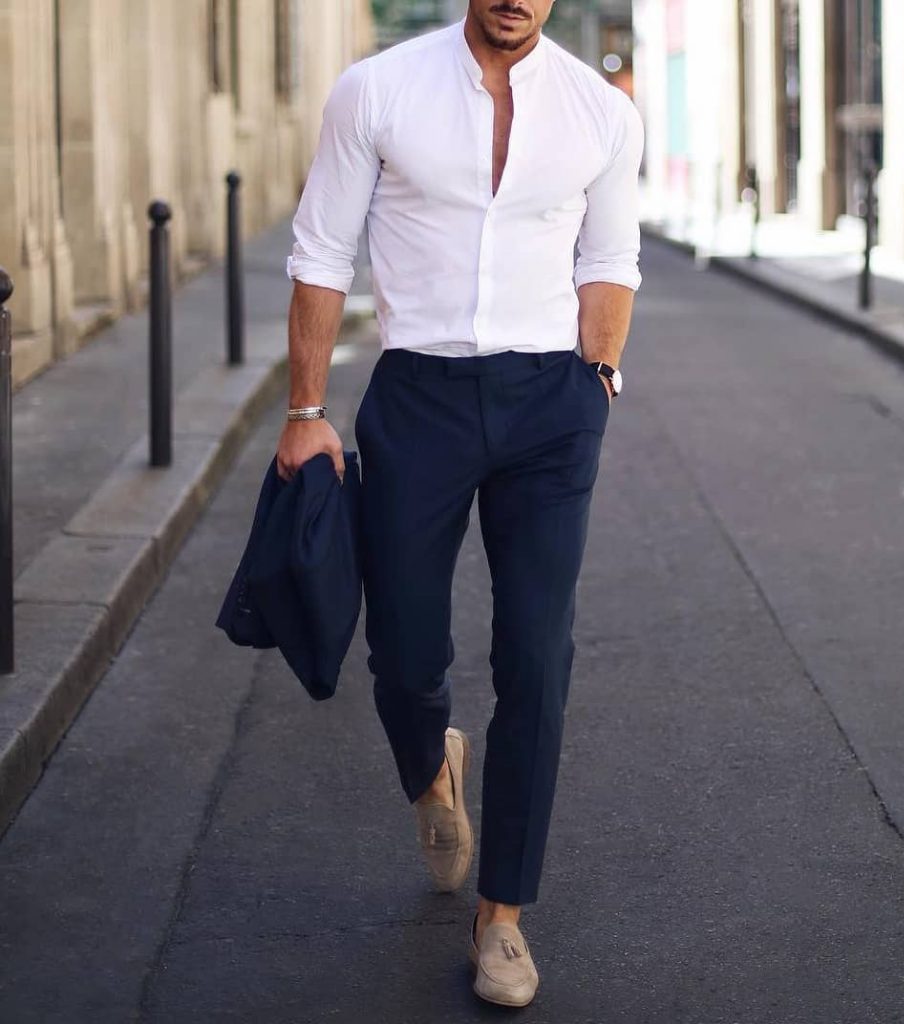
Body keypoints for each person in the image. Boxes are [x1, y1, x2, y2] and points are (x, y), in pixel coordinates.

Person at [277, 0, 642, 1007]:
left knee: (536, 651)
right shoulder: (378, 91)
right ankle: (434, 766)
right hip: (419, 395)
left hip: (548, 408)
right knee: (400, 653)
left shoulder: (597, 112)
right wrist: (306, 409)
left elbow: (610, 258)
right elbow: (319, 250)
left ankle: (503, 917)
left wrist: (596, 381)